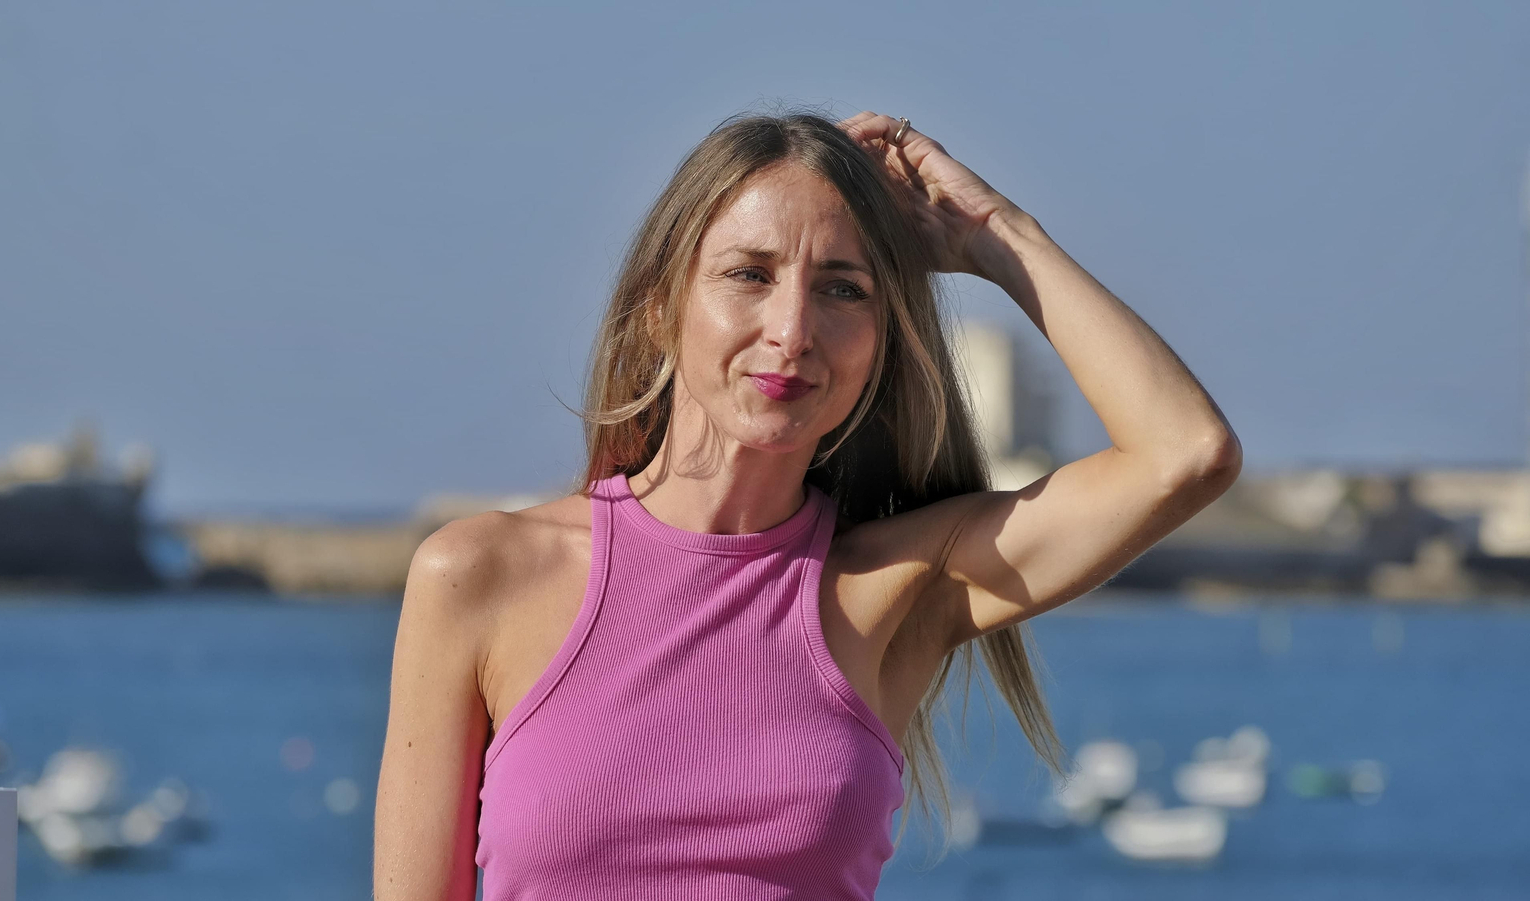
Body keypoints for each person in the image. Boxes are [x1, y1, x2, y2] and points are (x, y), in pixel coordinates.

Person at [372, 107, 1242, 900]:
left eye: (842, 289)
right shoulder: (479, 575)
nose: (793, 329)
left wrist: (992, 235)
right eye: (749, 274)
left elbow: (1186, 454)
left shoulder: (900, 587)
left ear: (879, 341)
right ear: (657, 311)